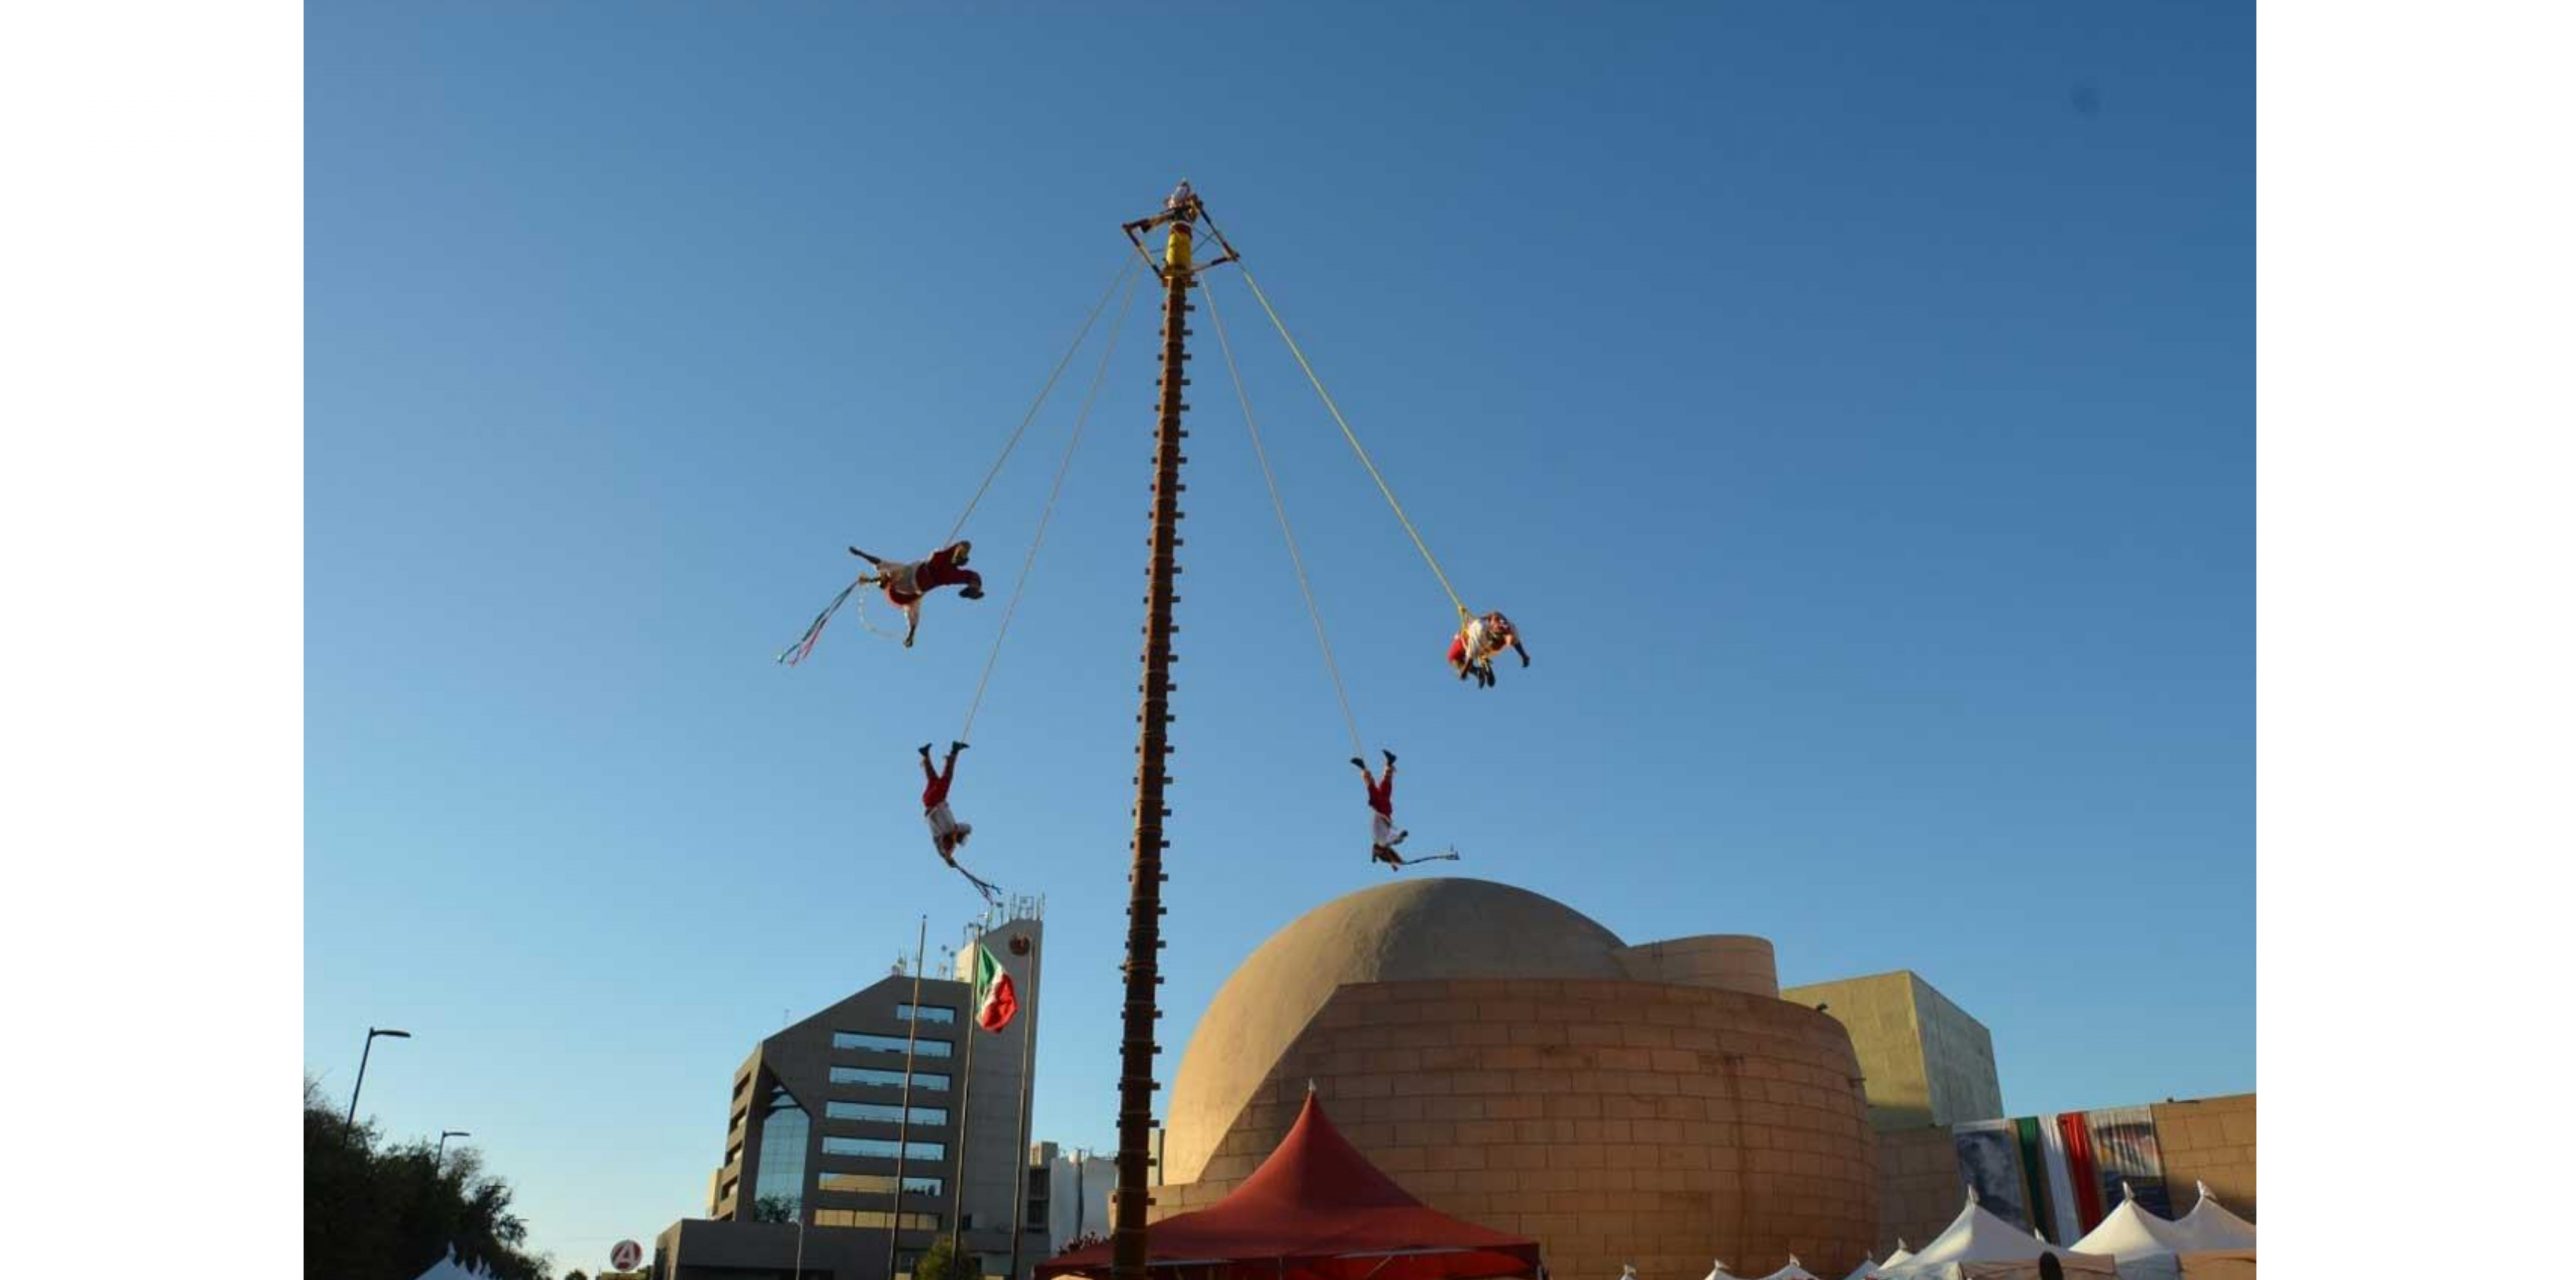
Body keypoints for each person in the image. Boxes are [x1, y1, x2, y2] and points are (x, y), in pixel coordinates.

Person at [849, 541, 986, 648]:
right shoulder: (901, 582)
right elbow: (913, 619)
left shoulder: (901, 583)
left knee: (967, 557)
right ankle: (972, 583)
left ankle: (973, 584)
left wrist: (861, 554)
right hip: (932, 572)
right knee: (968, 557)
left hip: (934, 576)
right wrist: (861, 554)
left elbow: (878, 562)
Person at [1352, 750, 1410, 869]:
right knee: (1374, 792)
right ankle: (1364, 768)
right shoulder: (1383, 841)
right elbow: (1393, 839)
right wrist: (1402, 835)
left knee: (1384, 789)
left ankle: (1389, 762)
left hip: (1383, 812)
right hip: (1382, 812)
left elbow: (1375, 852)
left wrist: (1391, 864)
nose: (1375, 851)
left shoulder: (1377, 843)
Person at [919, 741, 973, 863]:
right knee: (933, 778)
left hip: (935, 800)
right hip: (931, 800)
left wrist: (948, 857)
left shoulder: (940, 835)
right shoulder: (952, 828)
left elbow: (943, 850)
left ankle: (954, 751)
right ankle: (925, 755)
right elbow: (968, 827)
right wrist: (948, 856)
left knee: (947, 777)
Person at [1447, 610, 1530, 688]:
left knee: (1453, 657)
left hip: (1483, 644)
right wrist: (1465, 672)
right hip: (1472, 639)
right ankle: (1481, 665)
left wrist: (1523, 655)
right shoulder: (1479, 629)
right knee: (1454, 657)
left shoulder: (1510, 629)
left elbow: (1516, 642)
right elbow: (1470, 657)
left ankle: (1481, 664)